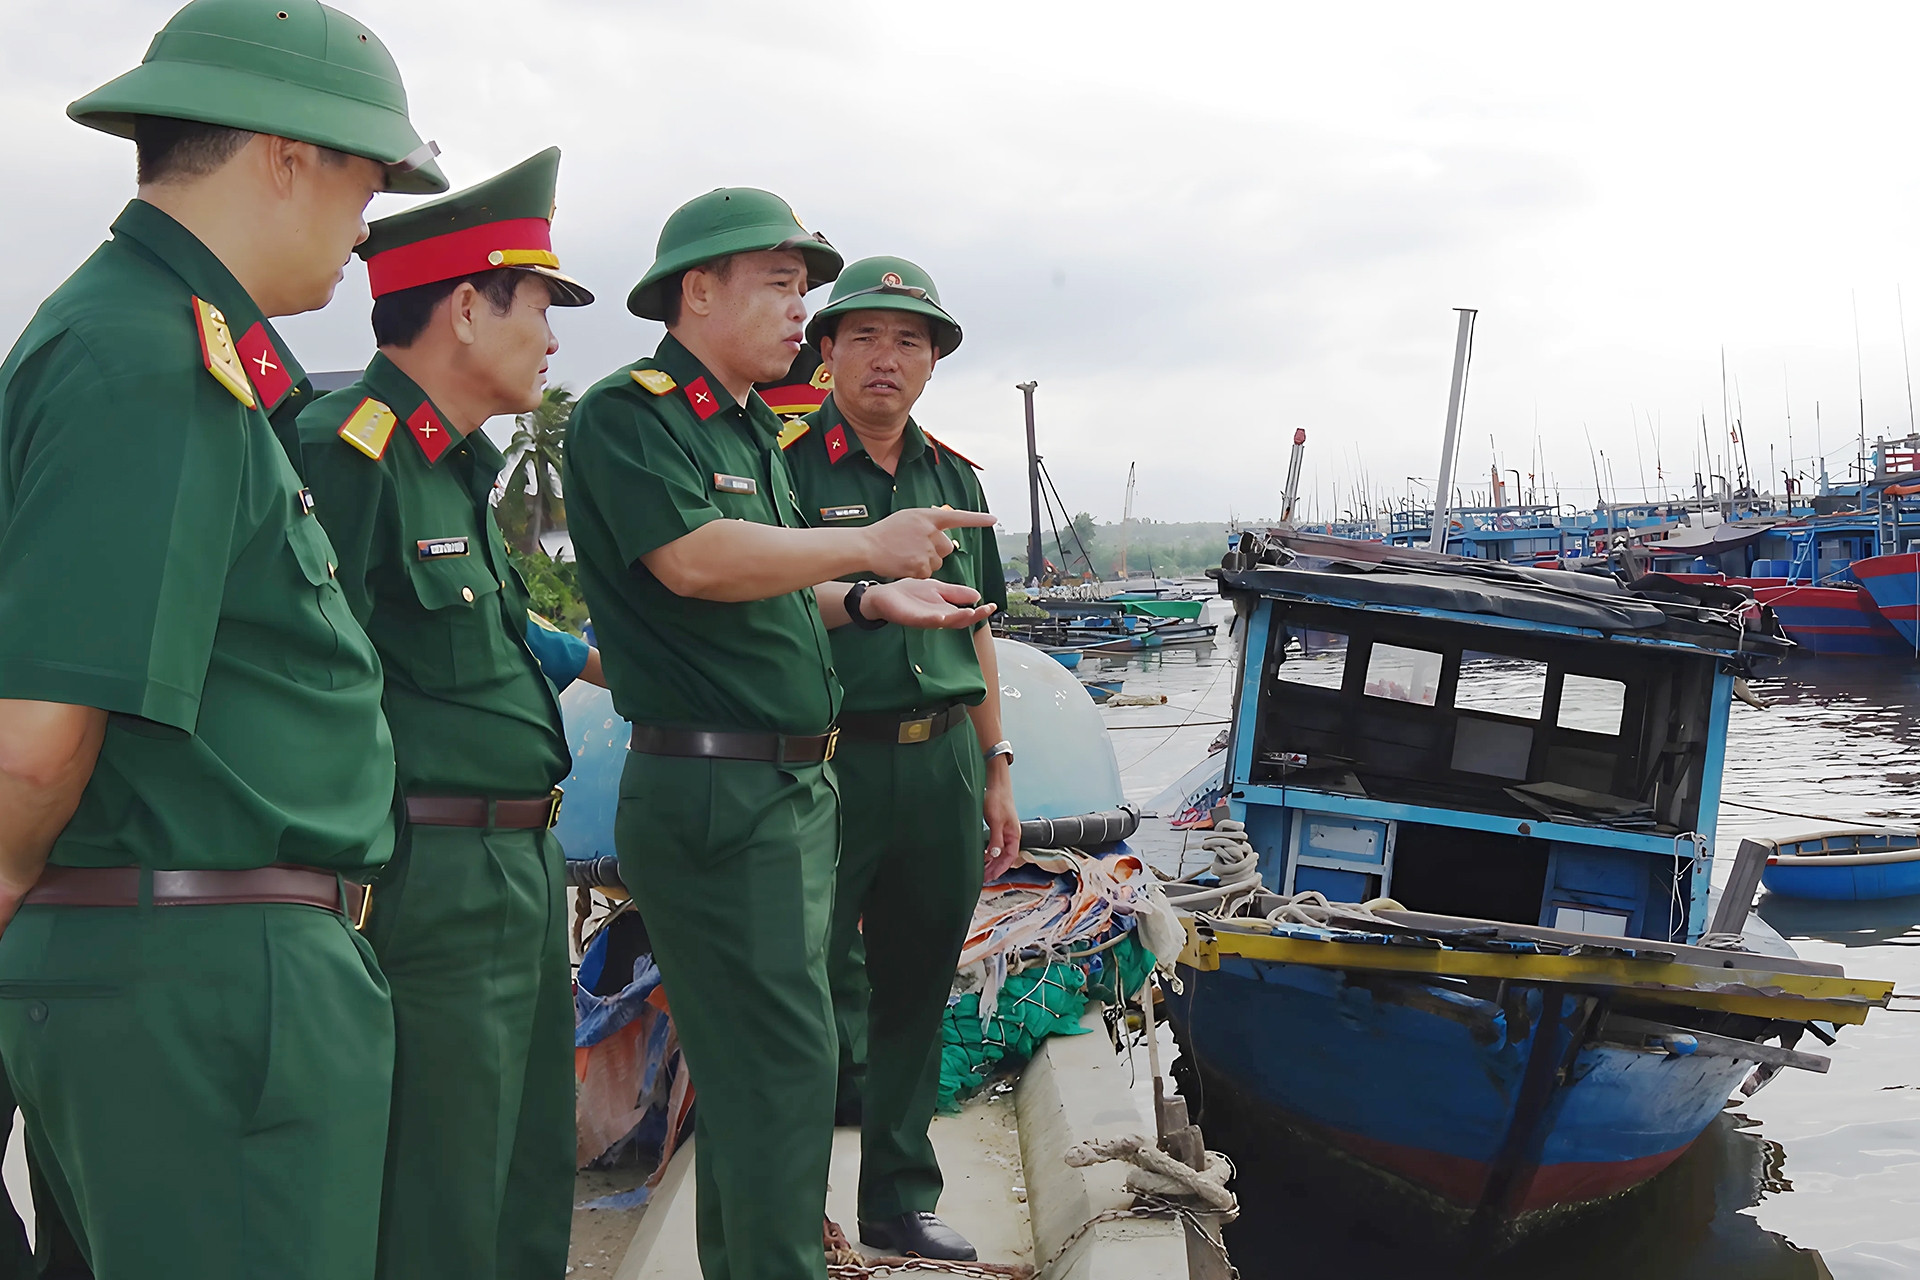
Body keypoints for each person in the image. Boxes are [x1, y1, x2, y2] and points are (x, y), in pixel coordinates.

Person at [0, 2, 444, 1276]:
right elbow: (38, 737)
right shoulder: (153, 357)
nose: (369, 226)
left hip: (177, 961)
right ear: (287, 154)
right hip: (202, 977)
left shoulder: (151, 341)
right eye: (366, 177)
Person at [562, 187, 1000, 1280]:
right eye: (781, 284)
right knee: (779, 1064)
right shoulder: (634, 413)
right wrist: (862, 553)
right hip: (729, 782)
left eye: (805, 288)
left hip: (814, 779)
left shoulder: (750, 426)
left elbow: (772, 592)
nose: (799, 308)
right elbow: (700, 560)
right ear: (698, 289)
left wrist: (868, 598)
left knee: (811, 1049)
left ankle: (828, 1228)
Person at [295, 146, 600, 1280]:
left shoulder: (457, 470)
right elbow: (307, 681)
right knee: (438, 1190)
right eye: (540, 307)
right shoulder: (349, 458)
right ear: (467, 307)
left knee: (527, 1176)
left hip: (520, 862)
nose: (555, 340)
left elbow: (487, 638)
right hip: (424, 874)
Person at [782, 256, 1016, 1262]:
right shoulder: (785, 468)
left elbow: (978, 632)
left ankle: (898, 1197)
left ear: (932, 363)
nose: (887, 356)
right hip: (829, 761)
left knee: (920, 978)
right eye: (865, 335)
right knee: (804, 984)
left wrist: (996, 764)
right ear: (825, 350)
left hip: (940, 767)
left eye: (909, 340)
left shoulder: (953, 479)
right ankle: (791, 1199)